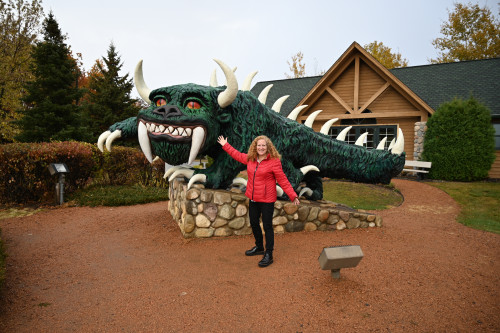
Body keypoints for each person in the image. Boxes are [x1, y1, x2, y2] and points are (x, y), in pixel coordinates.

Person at [217, 135, 300, 267]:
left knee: (267, 226)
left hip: (267, 199)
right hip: (253, 198)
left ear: (268, 148)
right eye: (259, 145)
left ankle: (269, 254)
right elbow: (237, 155)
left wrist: (293, 195)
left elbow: (283, 180)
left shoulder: (274, 162)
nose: (261, 148)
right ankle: (259, 247)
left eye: (263, 145)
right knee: (254, 223)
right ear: (255, 147)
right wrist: (225, 145)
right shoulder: (251, 158)